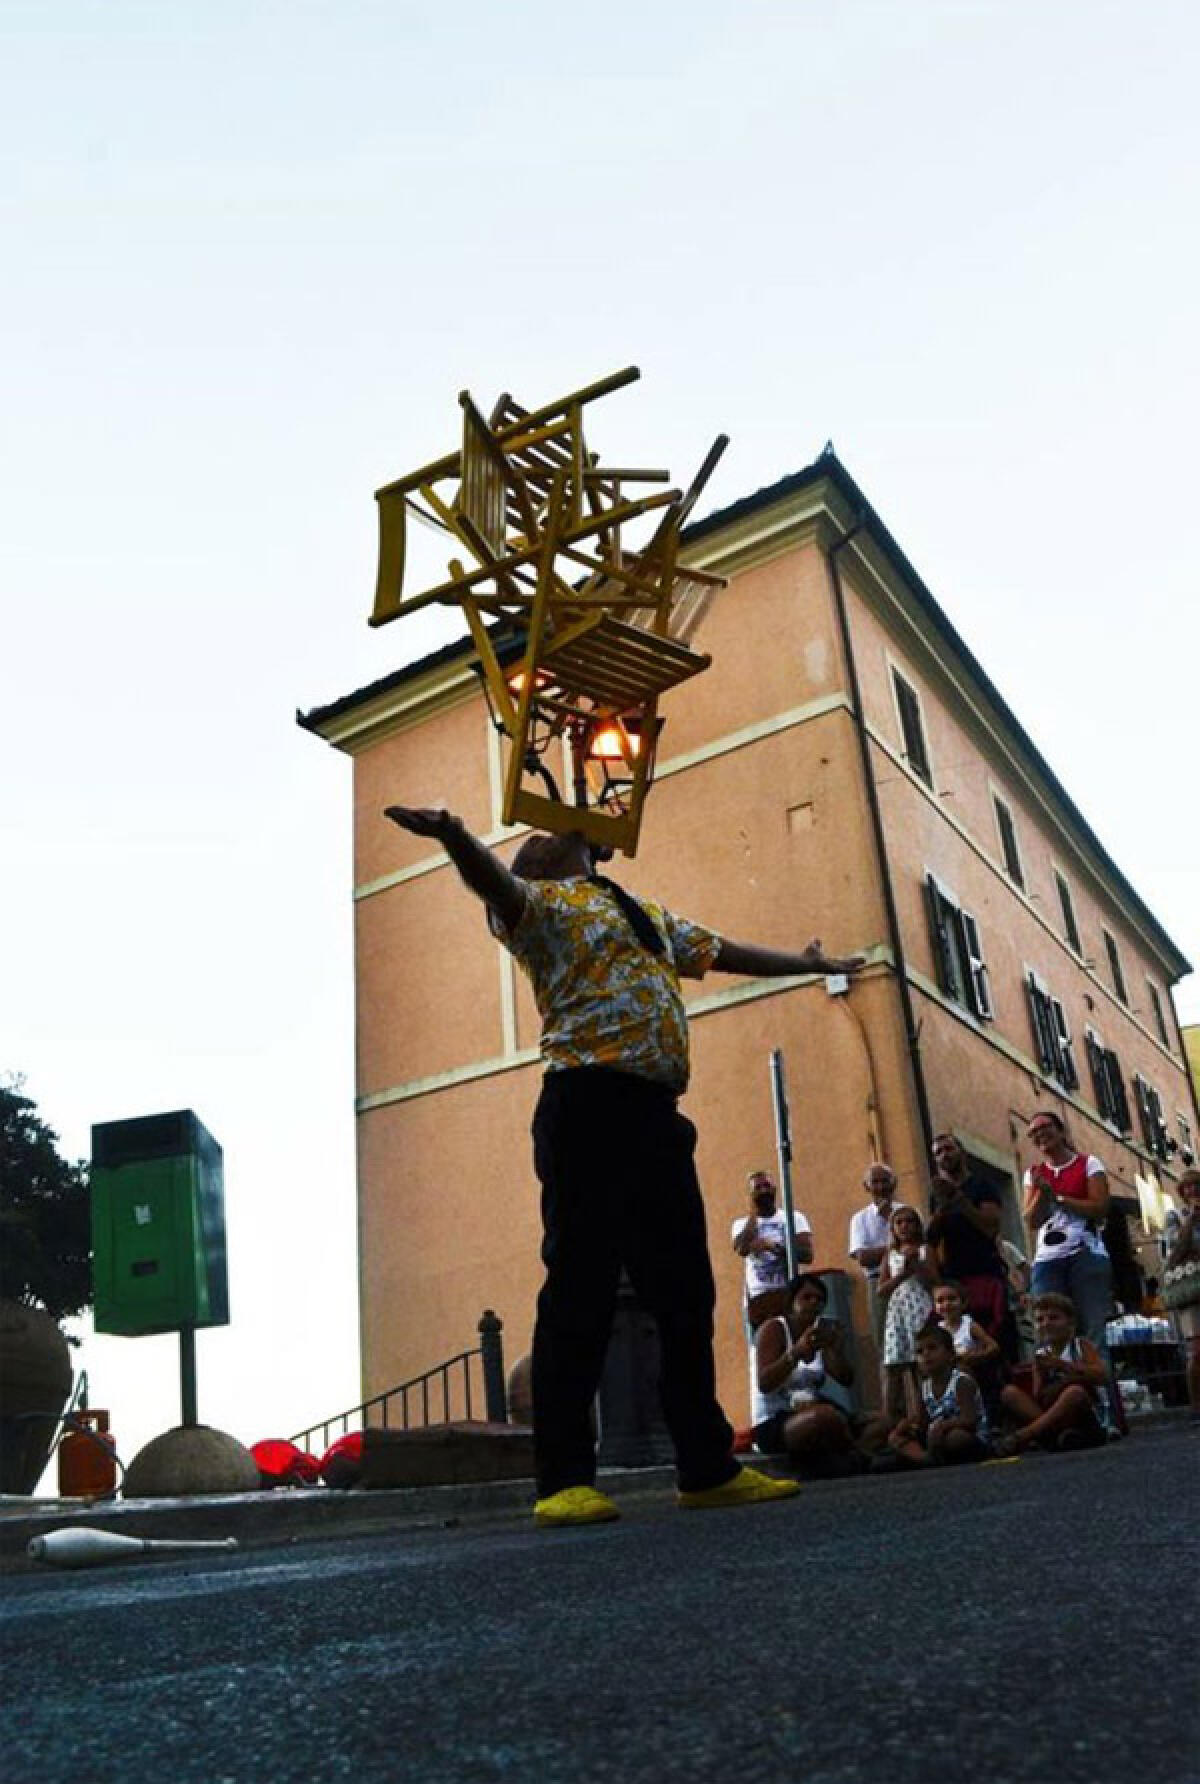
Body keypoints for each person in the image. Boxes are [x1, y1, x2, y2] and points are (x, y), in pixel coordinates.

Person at [383, 805, 864, 1526]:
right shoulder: (537, 905)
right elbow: (492, 883)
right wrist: (454, 833)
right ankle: (563, 1480)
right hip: (586, 1106)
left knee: (685, 1293)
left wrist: (806, 963)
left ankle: (705, 1467)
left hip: (656, 1115)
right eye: (536, 839)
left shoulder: (640, 912)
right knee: (580, 1289)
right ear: (537, 863)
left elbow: (723, 950)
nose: (547, 833)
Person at [752, 1273, 887, 1475]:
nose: (814, 1303)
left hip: (814, 1408)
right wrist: (795, 1353)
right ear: (791, 1303)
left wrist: (835, 1349)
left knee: (884, 1422)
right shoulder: (774, 1329)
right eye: (806, 1298)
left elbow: (845, 1378)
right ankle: (857, 1456)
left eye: (819, 1299)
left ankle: (840, 1461)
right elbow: (765, 1383)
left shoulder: (818, 1332)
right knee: (824, 1418)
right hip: (775, 1421)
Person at [1022, 1111, 1113, 1360]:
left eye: (1045, 1127)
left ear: (1061, 1131)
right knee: (1047, 1328)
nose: (1040, 1134)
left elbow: (1099, 1207)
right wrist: (1041, 1194)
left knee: (1092, 1328)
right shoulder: (1034, 1174)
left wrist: (1059, 1199)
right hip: (1048, 1258)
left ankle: (1100, 1391)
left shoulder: (1088, 1164)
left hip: (1085, 1252)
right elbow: (1031, 1219)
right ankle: (1056, 1388)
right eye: (1034, 1132)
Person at [732, 1169, 813, 1422]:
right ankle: (766, 1415)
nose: (764, 1192)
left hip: (787, 1296)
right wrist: (753, 1215)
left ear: (776, 1189)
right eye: (758, 1188)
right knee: (763, 1355)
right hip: (759, 1301)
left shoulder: (793, 1218)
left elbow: (807, 1254)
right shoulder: (742, 1224)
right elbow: (742, 1247)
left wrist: (775, 1247)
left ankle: (799, 1405)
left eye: (767, 1186)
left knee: (793, 1349)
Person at [926, 1132, 1015, 1358]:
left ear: (961, 1152)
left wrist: (959, 1200)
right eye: (938, 1152)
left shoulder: (983, 1185)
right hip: (955, 1277)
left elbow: (990, 1227)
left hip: (986, 1272)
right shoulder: (937, 1196)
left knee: (995, 1337)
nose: (944, 1155)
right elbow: (931, 1239)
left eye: (948, 1149)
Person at [997, 1292, 1107, 1454]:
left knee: (1074, 1392)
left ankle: (1025, 1435)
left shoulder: (1080, 1346)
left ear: (1070, 1322)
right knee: (1009, 1393)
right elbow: (1039, 1395)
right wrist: (1041, 1374)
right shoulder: (1041, 1355)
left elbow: (1101, 1376)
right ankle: (1052, 1434)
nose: (1046, 1324)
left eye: (1054, 1318)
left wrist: (1062, 1366)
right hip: (1052, 1413)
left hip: (1082, 1414)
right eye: (1040, 1320)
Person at [883, 1320, 990, 1467]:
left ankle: (928, 1457)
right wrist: (908, 1425)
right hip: (935, 1434)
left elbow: (969, 1420)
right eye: (920, 1352)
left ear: (950, 1354)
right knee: (894, 1438)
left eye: (932, 1348)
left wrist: (943, 1426)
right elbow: (922, 1421)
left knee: (956, 1438)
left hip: (966, 1434)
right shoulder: (925, 1387)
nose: (926, 1354)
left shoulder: (961, 1381)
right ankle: (926, 1458)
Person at [878, 1205, 937, 1419]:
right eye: (899, 1222)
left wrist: (917, 1265)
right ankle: (891, 1417)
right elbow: (881, 1290)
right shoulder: (890, 1254)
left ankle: (925, 1412)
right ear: (893, 1228)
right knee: (895, 1365)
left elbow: (934, 1281)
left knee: (921, 1362)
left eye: (909, 1221)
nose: (904, 1226)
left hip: (920, 1306)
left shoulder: (925, 1250)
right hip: (898, 1310)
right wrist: (901, 1275)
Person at [847, 1162, 898, 1357]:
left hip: (908, 1279)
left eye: (885, 1181)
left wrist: (890, 1218)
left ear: (893, 1183)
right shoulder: (860, 1219)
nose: (880, 1187)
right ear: (866, 1186)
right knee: (885, 1347)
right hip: (877, 1281)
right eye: (875, 1182)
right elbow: (864, 1258)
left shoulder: (907, 1212)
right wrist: (896, 1248)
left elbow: (918, 1249)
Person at [1162, 1167, 1200, 1420]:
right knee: (1197, 1351)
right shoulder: (1175, 1216)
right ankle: (1197, 1406)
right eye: (1187, 1187)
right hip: (1191, 1288)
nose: (1192, 1191)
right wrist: (1191, 1220)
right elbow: (1174, 1251)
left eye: (1196, 1185)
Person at [932, 1280, 1001, 1371]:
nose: (946, 1304)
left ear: (963, 1303)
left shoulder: (969, 1326)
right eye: (940, 1301)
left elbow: (993, 1347)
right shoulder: (937, 1329)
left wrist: (974, 1356)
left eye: (952, 1299)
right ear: (935, 1307)